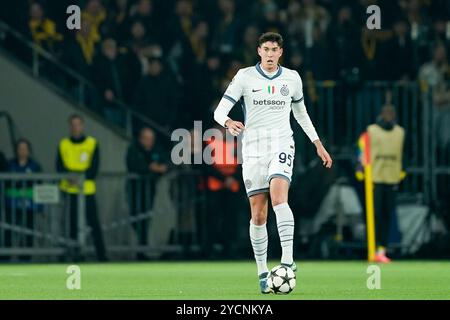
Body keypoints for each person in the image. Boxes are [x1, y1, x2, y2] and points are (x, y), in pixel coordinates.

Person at [213, 32, 332, 293]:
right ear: (258, 51)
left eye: (274, 50)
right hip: (253, 149)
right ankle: (263, 273)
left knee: (280, 198)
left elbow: (301, 113)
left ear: (281, 53)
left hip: (281, 143)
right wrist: (228, 122)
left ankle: (288, 261)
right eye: (265, 49)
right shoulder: (244, 76)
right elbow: (219, 110)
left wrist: (317, 143)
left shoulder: (292, 78)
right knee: (258, 214)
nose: (269, 54)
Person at [356, 104, 405, 263]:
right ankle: (371, 247)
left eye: (392, 113)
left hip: (391, 177)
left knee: (386, 214)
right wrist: (360, 168)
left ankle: (382, 249)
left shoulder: (400, 132)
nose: (389, 115)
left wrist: (403, 170)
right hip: (374, 177)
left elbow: (403, 152)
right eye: (387, 113)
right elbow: (361, 149)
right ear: (381, 114)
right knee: (373, 214)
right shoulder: (372, 131)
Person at [56, 114, 107, 261]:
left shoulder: (92, 143)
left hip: (87, 190)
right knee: (71, 224)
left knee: (94, 223)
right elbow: (59, 166)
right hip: (69, 190)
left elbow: (94, 168)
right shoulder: (63, 144)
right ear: (69, 126)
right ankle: (73, 254)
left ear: (83, 126)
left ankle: (102, 255)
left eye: (78, 124)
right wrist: (69, 177)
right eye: (73, 124)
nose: (75, 127)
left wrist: (79, 178)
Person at [126, 127, 168, 260]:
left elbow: (165, 163)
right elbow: (133, 165)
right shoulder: (133, 149)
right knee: (135, 217)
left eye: (151, 139)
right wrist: (151, 167)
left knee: (146, 218)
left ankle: (142, 250)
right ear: (140, 138)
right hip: (134, 189)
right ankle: (141, 247)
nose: (149, 141)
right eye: (146, 138)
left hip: (149, 189)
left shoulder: (157, 149)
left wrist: (157, 168)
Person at [4, 139, 42, 260]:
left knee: (28, 227)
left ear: (29, 150)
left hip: (29, 203)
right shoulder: (9, 164)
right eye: (20, 148)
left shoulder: (35, 166)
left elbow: (38, 183)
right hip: (12, 202)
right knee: (9, 228)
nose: (22, 151)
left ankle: (26, 255)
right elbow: (6, 182)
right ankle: (6, 254)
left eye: (25, 148)